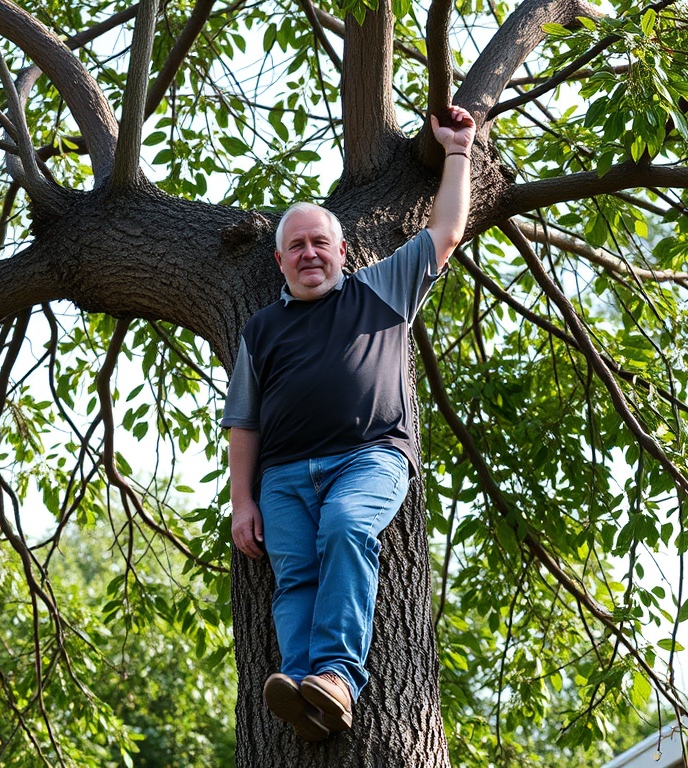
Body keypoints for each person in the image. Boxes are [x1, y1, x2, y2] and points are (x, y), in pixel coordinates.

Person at [221, 106, 476, 741]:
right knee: (295, 575)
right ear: (280, 261)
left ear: (341, 250)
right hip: (281, 477)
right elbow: (244, 422)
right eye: (296, 246)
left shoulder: (381, 289)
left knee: (346, 528)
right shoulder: (261, 330)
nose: (310, 254)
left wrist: (458, 152)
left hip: (369, 456)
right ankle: (305, 697)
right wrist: (242, 500)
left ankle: (336, 676)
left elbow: (446, 231)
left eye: (319, 243)